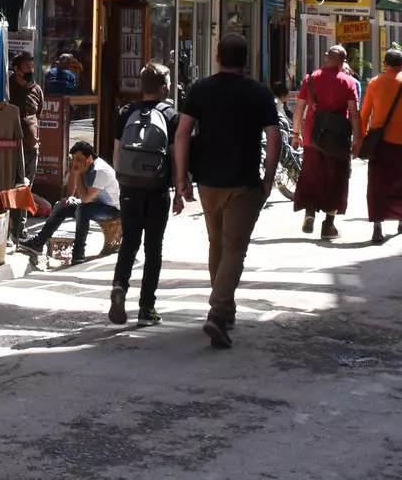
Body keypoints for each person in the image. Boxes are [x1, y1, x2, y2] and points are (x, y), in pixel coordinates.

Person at [171, 34, 281, 349]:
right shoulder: (259, 94)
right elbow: (274, 138)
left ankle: (225, 307)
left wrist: (181, 179)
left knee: (217, 244)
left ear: (217, 56)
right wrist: (269, 177)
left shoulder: (200, 90)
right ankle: (218, 313)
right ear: (246, 59)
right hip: (244, 183)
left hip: (208, 181)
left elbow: (182, 134)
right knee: (234, 249)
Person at [110, 63, 178, 325]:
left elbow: (117, 153)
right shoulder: (171, 115)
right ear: (164, 88)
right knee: (153, 247)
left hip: (129, 187)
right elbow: (174, 155)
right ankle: (146, 308)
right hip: (157, 188)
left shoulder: (126, 112)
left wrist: (122, 181)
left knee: (129, 242)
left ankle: (119, 286)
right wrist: (181, 186)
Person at [291, 45, 361, 239]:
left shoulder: (310, 79)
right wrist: (358, 139)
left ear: (326, 57)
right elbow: (354, 114)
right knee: (336, 179)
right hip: (337, 139)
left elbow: (299, 109)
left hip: (313, 135)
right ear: (343, 61)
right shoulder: (347, 82)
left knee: (312, 176)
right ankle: (328, 226)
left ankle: (310, 212)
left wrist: (295, 134)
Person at [359, 49, 402, 243]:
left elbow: (365, 114)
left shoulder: (374, 83)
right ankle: (401, 221)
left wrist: (362, 138)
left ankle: (377, 225)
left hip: (379, 144)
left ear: (385, 64)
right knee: (401, 183)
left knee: (377, 185)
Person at [19, 140, 121, 262]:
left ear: (89, 159)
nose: (75, 162)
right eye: (73, 158)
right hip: (95, 203)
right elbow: (76, 189)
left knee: (83, 209)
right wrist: (69, 198)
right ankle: (38, 243)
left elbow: (86, 199)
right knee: (62, 205)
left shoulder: (100, 171)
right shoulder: (82, 166)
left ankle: (78, 253)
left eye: (79, 159)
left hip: (112, 209)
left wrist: (77, 175)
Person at [8, 52, 43, 236]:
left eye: (32, 66)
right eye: (26, 67)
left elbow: (38, 116)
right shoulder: (8, 88)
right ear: (17, 70)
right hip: (13, 149)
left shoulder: (36, 89)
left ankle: (20, 229)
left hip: (31, 148)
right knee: (12, 187)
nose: (30, 70)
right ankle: (9, 227)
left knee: (26, 189)